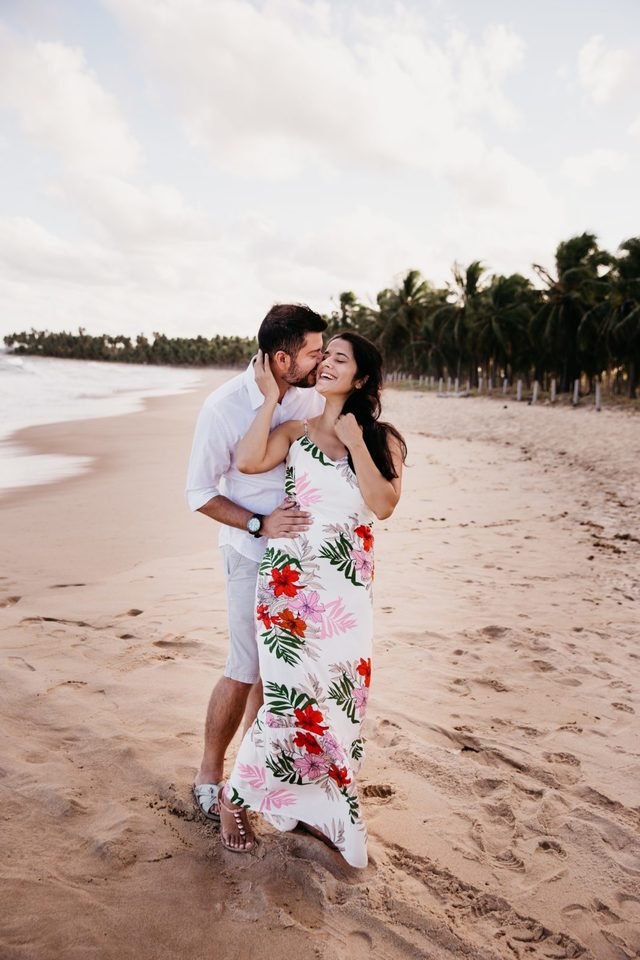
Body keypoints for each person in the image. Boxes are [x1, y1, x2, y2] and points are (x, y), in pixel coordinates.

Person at [218, 331, 407, 868]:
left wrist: (353, 441)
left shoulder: (382, 438)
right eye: (323, 356)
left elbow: (383, 504)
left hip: (347, 595)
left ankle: (314, 805)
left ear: (362, 378)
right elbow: (250, 461)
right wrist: (271, 398)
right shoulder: (296, 429)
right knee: (287, 702)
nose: (325, 364)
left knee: (337, 705)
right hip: (289, 589)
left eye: (338, 359)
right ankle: (237, 799)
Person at [186, 303, 327, 822]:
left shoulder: (313, 394)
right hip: (249, 552)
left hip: (302, 558)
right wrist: (256, 524)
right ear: (283, 358)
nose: (322, 358)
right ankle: (208, 772)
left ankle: (252, 772)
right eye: (314, 351)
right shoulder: (223, 407)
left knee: (278, 672)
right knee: (244, 669)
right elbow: (198, 492)